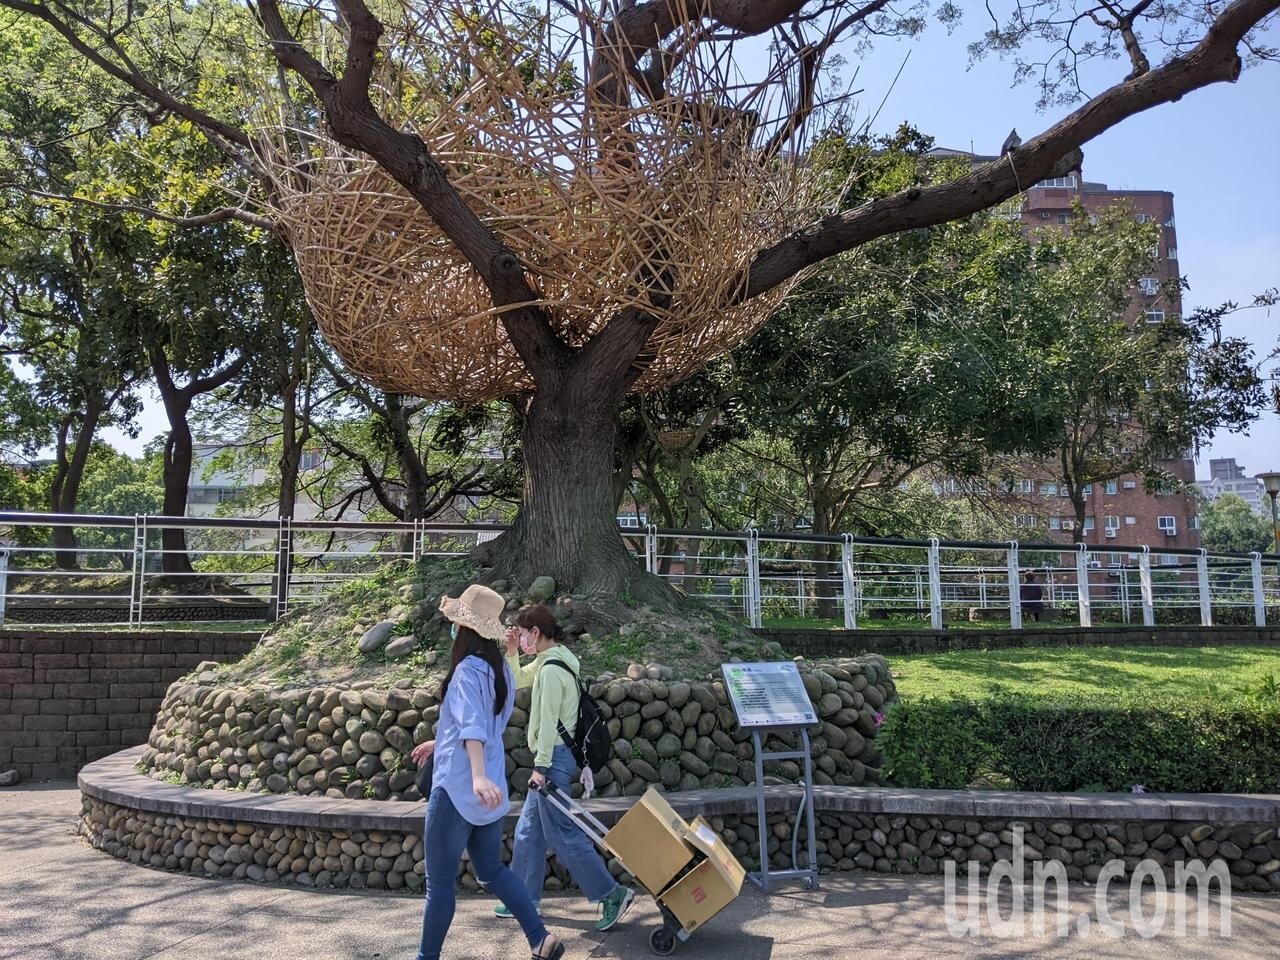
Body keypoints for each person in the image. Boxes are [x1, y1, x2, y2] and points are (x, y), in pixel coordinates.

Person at [410, 584, 565, 960]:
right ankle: (539, 939)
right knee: (493, 869)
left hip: (460, 788)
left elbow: (474, 728)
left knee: (440, 887)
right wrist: (441, 742)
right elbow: (476, 724)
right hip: (490, 788)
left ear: (464, 629)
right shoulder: (501, 672)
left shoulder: (465, 672)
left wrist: (475, 775)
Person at [493, 604, 635, 931]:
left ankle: (611, 894)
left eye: (524, 634)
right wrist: (512, 651)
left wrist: (540, 767)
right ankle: (522, 899)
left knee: (562, 833)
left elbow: (548, 724)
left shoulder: (552, 671)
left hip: (553, 759)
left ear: (537, 634)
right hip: (556, 758)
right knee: (528, 832)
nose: (523, 638)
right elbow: (516, 680)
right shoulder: (551, 661)